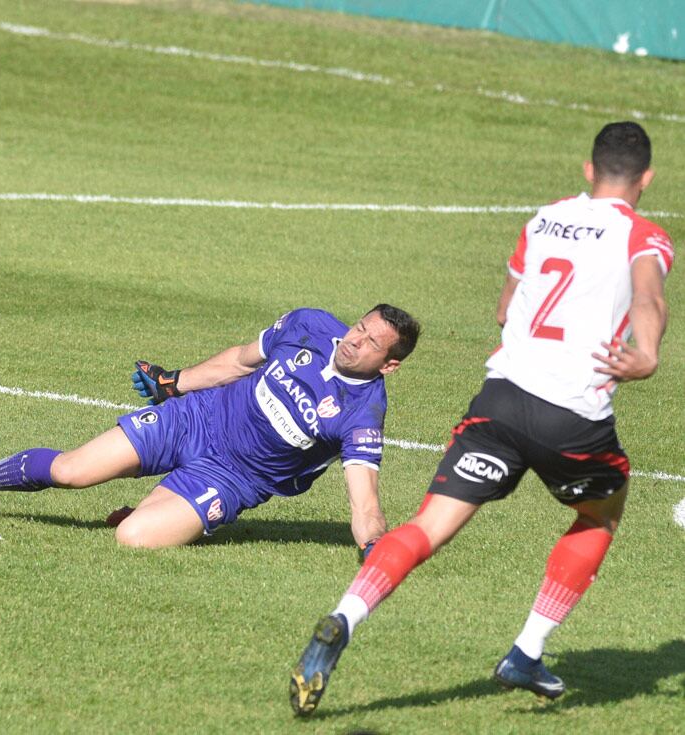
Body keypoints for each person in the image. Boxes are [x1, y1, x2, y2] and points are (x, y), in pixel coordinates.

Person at [289, 121, 674, 716]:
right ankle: (527, 649)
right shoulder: (644, 235)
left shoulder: (543, 220)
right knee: (601, 511)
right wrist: (645, 353)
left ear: (587, 169)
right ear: (646, 177)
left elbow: (504, 309)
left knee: (426, 527)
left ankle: (344, 615)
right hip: (572, 412)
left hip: (499, 399)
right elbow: (648, 296)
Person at [0, 305, 420, 549]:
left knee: (132, 538)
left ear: (390, 365)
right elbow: (239, 361)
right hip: (195, 418)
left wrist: (376, 549)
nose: (354, 340)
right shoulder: (310, 326)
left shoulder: (363, 414)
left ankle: (152, 513)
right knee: (70, 471)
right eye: (360, 326)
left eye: (370, 342)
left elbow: (364, 501)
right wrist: (174, 383)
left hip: (233, 479)